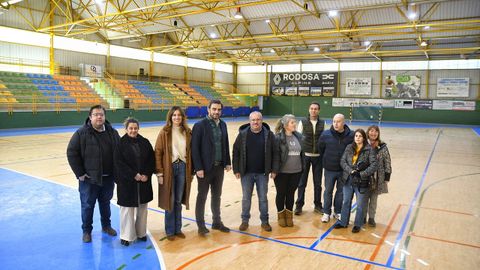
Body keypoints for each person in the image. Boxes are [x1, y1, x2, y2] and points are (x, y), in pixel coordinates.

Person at [67, 104, 120, 243]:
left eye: (101, 114)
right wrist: (80, 173)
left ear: (104, 116)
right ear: (90, 117)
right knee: (87, 206)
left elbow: (119, 152)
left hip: (108, 178)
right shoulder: (81, 133)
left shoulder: (112, 133)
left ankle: (106, 226)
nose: (99, 117)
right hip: (89, 180)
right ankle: (86, 231)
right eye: (96, 114)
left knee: (105, 203)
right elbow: (72, 153)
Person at [191, 99, 231, 236]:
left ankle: (216, 222)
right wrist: (198, 168)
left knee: (217, 196)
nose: (216, 112)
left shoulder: (223, 125)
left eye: (219, 109)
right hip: (205, 169)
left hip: (219, 167)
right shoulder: (200, 125)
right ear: (208, 109)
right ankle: (201, 225)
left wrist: (227, 162)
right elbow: (194, 149)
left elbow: (225, 144)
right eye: (214, 109)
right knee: (202, 196)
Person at [114, 117, 155, 246]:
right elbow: (119, 164)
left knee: (142, 209)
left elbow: (151, 160)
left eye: (135, 128)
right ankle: (127, 236)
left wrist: (146, 174)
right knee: (127, 210)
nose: (133, 130)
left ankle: (141, 233)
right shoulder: (120, 144)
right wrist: (134, 175)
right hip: (127, 182)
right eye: (131, 128)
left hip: (144, 182)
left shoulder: (145, 142)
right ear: (126, 129)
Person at [232, 111, 276, 232]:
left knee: (263, 198)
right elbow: (236, 152)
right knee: (246, 198)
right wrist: (236, 169)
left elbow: (275, 153)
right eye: (253, 120)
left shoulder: (269, 135)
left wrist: (274, 169)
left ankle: (265, 221)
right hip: (246, 173)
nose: (255, 122)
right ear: (249, 121)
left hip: (263, 173)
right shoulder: (242, 135)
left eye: (258, 120)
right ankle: (244, 221)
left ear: (261, 121)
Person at [155, 106, 193, 240]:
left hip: (183, 167)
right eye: (174, 115)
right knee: (169, 200)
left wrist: (192, 171)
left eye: (179, 115)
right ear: (170, 117)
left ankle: (178, 229)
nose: (177, 117)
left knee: (178, 200)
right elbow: (158, 153)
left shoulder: (187, 132)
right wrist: (160, 173)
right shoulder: (164, 132)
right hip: (169, 168)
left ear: (183, 117)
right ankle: (170, 231)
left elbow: (191, 152)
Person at [334, 129, 377, 233]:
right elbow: (343, 161)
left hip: (362, 182)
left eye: (360, 136)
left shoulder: (369, 149)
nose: (358, 138)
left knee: (360, 204)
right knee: (346, 201)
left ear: (364, 138)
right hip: (348, 179)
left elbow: (374, 165)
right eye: (356, 136)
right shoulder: (349, 147)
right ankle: (343, 222)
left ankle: (358, 224)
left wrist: (361, 174)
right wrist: (351, 171)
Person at [318, 113, 354, 223]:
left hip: (343, 170)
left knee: (340, 192)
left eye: (338, 121)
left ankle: (337, 211)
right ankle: (326, 213)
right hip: (329, 169)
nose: (335, 124)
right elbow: (321, 149)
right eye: (334, 121)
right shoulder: (325, 134)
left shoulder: (351, 135)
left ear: (344, 122)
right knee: (328, 191)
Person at [272, 114, 304, 227]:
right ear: (286, 125)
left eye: (294, 122)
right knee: (281, 194)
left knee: (291, 194)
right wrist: (274, 170)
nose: (294, 124)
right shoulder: (277, 138)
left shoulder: (299, 137)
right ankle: (281, 216)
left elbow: (302, 154)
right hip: (281, 172)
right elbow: (274, 155)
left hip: (296, 172)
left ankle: (289, 216)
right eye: (292, 122)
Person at [295, 101, 325, 215]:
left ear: (319, 110)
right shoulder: (302, 122)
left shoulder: (323, 123)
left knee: (317, 184)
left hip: (318, 157)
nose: (314, 110)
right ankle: (299, 205)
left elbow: (323, 139)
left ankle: (318, 205)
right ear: (309, 109)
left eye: (316, 109)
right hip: (305, 157)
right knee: (302, 183)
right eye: (312, 108)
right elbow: (297, 138)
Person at [362, 125, 392, 227]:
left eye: (375, 132)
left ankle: (371, 218)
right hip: (365, 177)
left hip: (378, 178)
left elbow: (387, 162)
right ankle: (362, 218)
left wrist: (387, 177)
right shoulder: (363, 144)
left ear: (378, 134)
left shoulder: (383, 146)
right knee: (364, 199)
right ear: (368, 132)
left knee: (373, 199)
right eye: (371, 131)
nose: (373, 133)